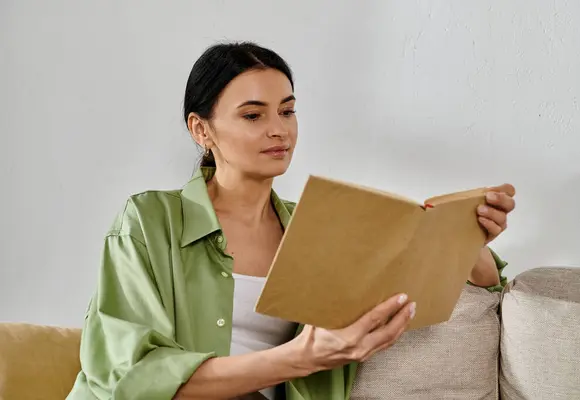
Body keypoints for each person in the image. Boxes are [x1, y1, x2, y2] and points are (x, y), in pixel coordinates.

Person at [66, 41, 516, 400]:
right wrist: (301, 357)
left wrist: (466, 233)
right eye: (252, 115)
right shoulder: (149, 219)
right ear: (202, 130)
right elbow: (132, 378)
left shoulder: (320, 228)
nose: (278, 129)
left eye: (287, 110)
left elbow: (475, 281)